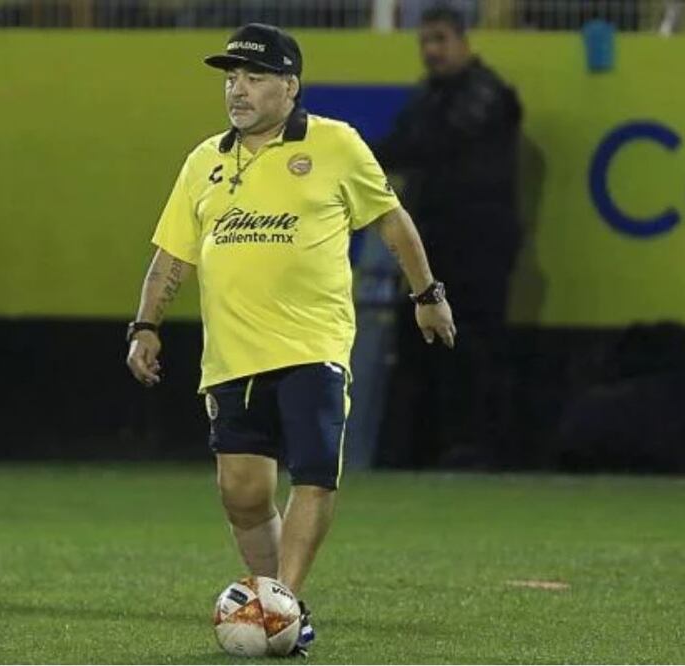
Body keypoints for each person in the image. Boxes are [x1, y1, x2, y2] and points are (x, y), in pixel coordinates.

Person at [125, 23, 455, 656]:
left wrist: (427, 294)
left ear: (290, 86)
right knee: (242, 495)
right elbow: (172, 254)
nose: (238, 92)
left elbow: (391, 220)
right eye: (231, 79)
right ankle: (276, 604)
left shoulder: (334, 145)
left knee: (313, 475)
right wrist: (145, 325)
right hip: (231, 355)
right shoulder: (205, 161)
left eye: (253, 79)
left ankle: (283, 607)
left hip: (314, 346)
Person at [375, 5, 523, 470]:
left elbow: (424, 146)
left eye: (439, 40)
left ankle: (474, 450)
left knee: (474, 352)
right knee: (425, 354)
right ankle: (424, 450)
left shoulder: (487, 95)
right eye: (425, 42)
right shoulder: (429, 97)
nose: (431, 51)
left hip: (478, 248)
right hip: (433, 247)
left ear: (464, 40)